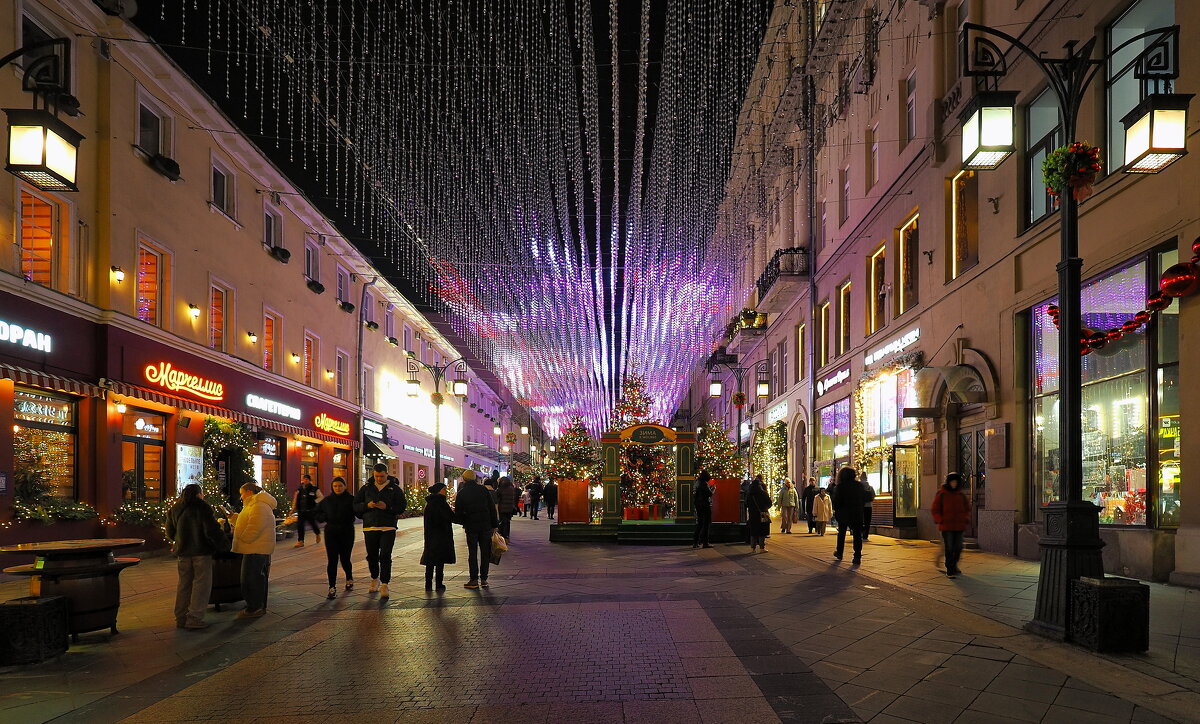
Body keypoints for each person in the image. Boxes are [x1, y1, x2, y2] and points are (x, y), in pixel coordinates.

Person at [166, 483, 230, 629]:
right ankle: (194, 617)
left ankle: (180, 617)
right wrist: (223, 545)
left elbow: (170, 533)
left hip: (183, 553)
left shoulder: (175, 509)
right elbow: (211, 530)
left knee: (184, 584)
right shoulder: (202, 507)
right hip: (201, 552)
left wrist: (180, 539)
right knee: (202, 584)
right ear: (198, 494)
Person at [353, 463, 407, 600]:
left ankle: (384, 583)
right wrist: (367, 505)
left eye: (381, 476)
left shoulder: (394, 489)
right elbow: (356, 506)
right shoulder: (366, 488)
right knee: (372, 556)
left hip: (388, 527)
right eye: (376, 476)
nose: (379, 479)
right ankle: (374, 578)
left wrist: (387, 507)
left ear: (387, 474)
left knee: (385, 555)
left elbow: (401, 506)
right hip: (370, 527)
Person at [229, 482, 277, 619]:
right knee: (252, 578)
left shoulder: (259, 506)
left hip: (256, 548)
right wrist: (234, 519)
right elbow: (248, 521)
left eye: (242, 493)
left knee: (251, 578)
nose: (241, 497)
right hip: (253, 547)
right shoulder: (253, 505)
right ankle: (255, 605)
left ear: (249, 492)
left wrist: (242, 537)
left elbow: (254, 527)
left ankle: (255, 607)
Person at [455, 469, 500, 589]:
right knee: (485, 552)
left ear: (464, 479)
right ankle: (484, 579)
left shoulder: (462, 492)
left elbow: (458, 512)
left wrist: (463, 522)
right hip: (485, 526)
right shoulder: (483, 490)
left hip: (471, 526)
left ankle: (474, 579)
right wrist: (494, 524)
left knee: (472, 553)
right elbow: (491, 508)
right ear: (475, 479)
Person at [315, 476, 356, 599]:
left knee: (345, 558)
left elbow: (358, 511)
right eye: (335, 486)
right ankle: (331, 587)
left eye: (340, 486)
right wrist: (323, 517)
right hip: (331, 532)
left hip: (347, 531)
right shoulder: (327, 500)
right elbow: (317, 513)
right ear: (332, 487)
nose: (338, 488)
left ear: (345, 486)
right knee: (332, 560)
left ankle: (349, 578)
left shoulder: (351, 499)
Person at [932, 472, 971, 578]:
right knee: (949, 548)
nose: (954, 484)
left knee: (958, 547)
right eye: (952, 481)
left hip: (959, 526)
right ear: (948, 482)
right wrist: (940, 520)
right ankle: (950, 570)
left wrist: (966, 518)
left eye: (956, 482)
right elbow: (935, 509)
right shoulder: (942, 494)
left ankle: (954, 565)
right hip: (946, 526)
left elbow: (967, 509)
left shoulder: (961, 495)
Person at [421, 482, 457, 592]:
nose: (445, 492)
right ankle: (439, 584)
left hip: (430, 535)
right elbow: (450, 517)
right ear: (439, 491)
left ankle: (428, 584)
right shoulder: (441, 503)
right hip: (441, 535)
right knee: (440, 561)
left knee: (430, 561)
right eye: (444, 490)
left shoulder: (429, 503)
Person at [831, 467, 864, 564]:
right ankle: (857, 556)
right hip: (857, 513)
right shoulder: (859, 485)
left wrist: (836, 511)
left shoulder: (840, 487)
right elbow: (867, 497)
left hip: (844, 514)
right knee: (857, 535)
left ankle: (839, 552)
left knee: (841, 533)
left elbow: (836, 501)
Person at [290, 474, 322, 547]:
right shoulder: (299, 489)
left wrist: (315, 502)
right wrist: (293, 508)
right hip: (301, 510)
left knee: (313, 524)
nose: (305, 480)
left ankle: (317, 534)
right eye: (304, 479)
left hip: (310, 510)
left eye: (307, 479)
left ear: (309, 480)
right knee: (300, 525)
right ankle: (300, 541)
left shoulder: (314, 489)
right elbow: (295, 499)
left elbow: (321, 497)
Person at [746, 476, 772, 553]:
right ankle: (761, 548)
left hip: (753, 515)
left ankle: (753, 548)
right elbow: (769, 503)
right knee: (762, 531)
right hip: (762, 514)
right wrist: (764, 508)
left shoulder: (749, 494)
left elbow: (746, 504)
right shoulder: (763, 493)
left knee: (753, 531)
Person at [692, 471, 714, 549]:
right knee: (706, 523)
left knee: (700, 523)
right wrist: (713, 489)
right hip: (705, 505)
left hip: (698, 505)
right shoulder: (704, 484)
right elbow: (710, 494)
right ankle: (705, 542)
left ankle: (695, 542)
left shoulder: (697, 483)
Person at [496, 475, 518, 540]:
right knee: (507, 522)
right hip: (509, 508)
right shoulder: (511, 489)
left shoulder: (500, 489)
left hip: (502, 508)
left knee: (502, 522)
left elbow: (497, 498)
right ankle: (507, 535)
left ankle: (502, 535)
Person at [860, 470, 875, 542]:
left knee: (860, 520)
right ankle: (866, 535)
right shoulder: (870, 487)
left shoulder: (859, 487)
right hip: (869, 506)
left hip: (860, 506)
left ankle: (861, 533)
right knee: (867, 521)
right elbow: (873, 496)